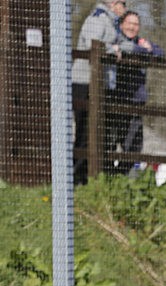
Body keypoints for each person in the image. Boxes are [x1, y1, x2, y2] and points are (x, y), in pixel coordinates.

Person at [72, 0, 125, 184]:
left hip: (99, 84)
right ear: (112, 3)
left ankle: (88, 178)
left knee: (97, 133)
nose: (124, 8)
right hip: (85, 82)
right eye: (122, 3)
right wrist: (114, 50)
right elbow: (91, 46)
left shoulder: (111, 22)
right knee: (85, 133)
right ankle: (76, 178)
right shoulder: (97, 19)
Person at [110, 10, 164, 174]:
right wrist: (143, 50)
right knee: (111, 141)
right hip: (116, 99)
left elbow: (160, 53)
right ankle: (108, 177)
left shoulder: (142, 41)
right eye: (130, 23)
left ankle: (122, 176)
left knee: (133, 144)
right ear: (122, 25)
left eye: (136, 24)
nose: (133, 27)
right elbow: (129, 49)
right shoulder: (116, 39)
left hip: (136, 100)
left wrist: (148, 49)